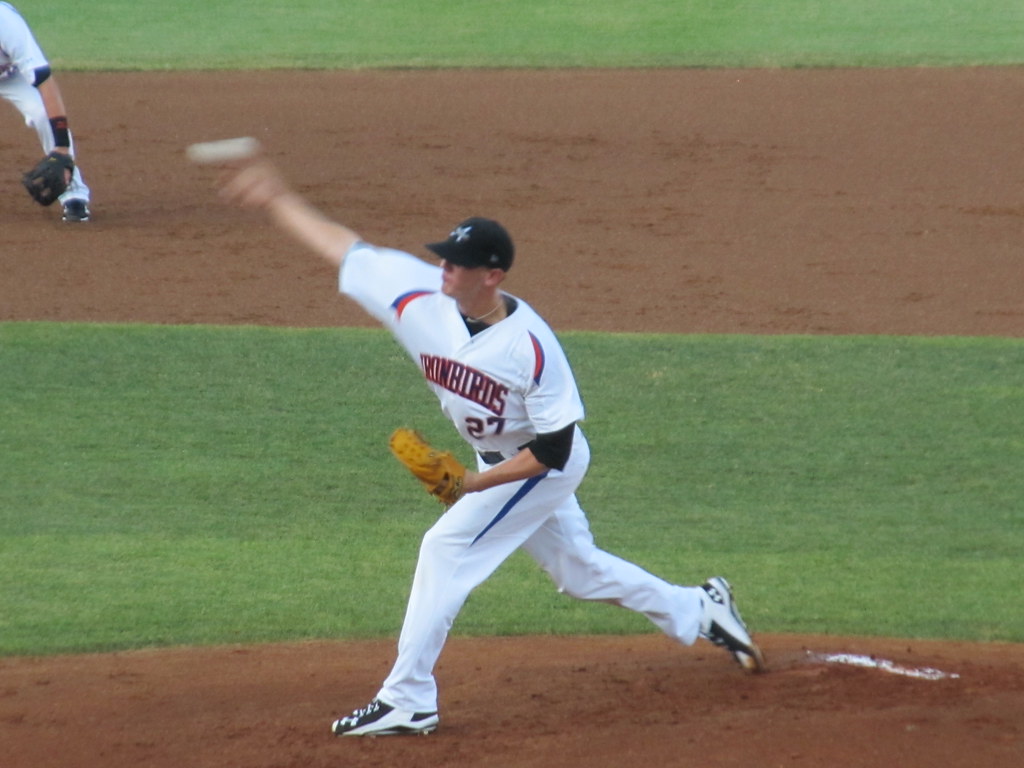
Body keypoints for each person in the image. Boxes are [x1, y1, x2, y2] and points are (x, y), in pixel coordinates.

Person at [217, 156, 766, 737]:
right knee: (579, 573)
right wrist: (280, 200)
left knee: (445, 549)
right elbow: (345, 250)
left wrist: (470, 487)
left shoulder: (531, 347)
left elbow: (554, 450)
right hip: (498, 463)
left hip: (540, 468)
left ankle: (407, 699)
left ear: (493, 276)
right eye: (445, 258)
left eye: (459, 264)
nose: (445, 269)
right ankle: (699, 608)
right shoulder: (418, 296)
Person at [1, 2, 91, 221]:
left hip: (12, 76)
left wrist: (61, 148)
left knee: (42, 113)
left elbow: (45, 83)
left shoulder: (6, 23)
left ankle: (74, 194)